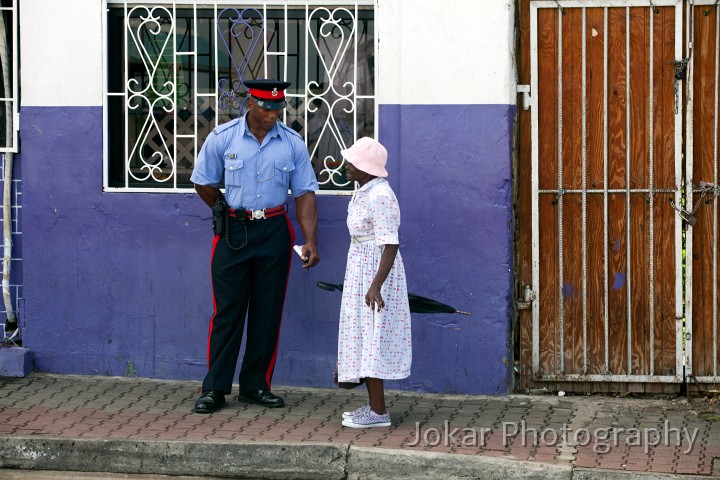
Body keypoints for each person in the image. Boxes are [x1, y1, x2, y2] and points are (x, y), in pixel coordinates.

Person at [191, 79, 319, 414]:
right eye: (267, 108)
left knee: (267, 311)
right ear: (251, 104)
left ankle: (255, 385)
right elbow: (202, 181)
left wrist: (310, 240)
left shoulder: (292, 143)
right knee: (228, 313)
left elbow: (305, 193)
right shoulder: (223, 138)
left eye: (279, 108)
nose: (274, 114)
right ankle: (214, 388)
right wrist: (224, 210)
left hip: (275, 231)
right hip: (234, 233)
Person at [336, 137, 412, 428]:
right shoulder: (364, 191)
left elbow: (389, 243)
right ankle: (373, 407)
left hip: (375, 272)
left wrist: (375, 285)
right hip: (360, 266)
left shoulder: (380, 195)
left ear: (366, 167)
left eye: (352, 162)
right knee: (361, 335)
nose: (346, 166)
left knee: (372, 338)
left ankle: (379, 413)